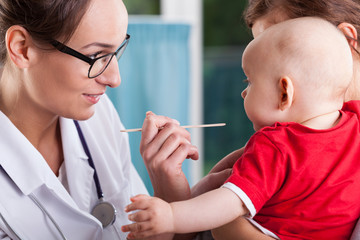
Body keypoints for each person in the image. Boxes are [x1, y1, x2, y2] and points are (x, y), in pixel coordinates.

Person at [121, 16, 360, 240]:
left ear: (284, 93)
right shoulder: (355, 122)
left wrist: (171, 215)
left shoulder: (274, 145)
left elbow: (229, 202)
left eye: (250, 81)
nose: (243, 92)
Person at [0, 0, 199, 239]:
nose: (115, 79)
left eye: (115, 52)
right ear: (22, 48)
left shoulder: (98, 114)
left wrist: (170, 196)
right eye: (95, 55)